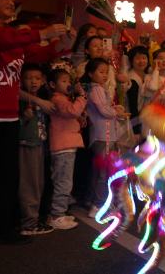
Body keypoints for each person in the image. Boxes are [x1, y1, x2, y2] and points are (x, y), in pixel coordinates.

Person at [0, 0, 70, 258]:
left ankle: (3, 229)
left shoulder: (12, 37)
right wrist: (43, 32)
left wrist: (61, 40)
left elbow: (38, 53)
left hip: (7, 119)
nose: (11, 1)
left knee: (5, 178)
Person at [83, 58, 126, 218]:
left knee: (99, 171)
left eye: (106, 72)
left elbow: (104, 108)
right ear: (90, 73)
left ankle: (92, 200)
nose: (105, 75)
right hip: (104, 136)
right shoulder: (96, 89)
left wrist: (114, 108)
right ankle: (98, 205)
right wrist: (116, 112)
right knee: (103, 172)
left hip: (104, 135)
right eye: (101, 72)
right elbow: (103, 110)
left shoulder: (96, 89)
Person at [47, 69, 87, 230]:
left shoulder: (63, 99)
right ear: (52, 84)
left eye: (68, 81)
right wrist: (81, 96)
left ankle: (60, 212)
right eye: (63, 81)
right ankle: (57, 215)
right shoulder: (57, 99)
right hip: (62, 147)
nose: (68, 84)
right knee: (63, 182)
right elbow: (73, 111)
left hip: (67, 146)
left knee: (64, 181)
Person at [17, 64, 54, 236]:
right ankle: (28, 223)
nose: (33, 81)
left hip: (39, 145)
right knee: (29, 184)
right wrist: (24, 118)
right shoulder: (21, 100)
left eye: (37, 78)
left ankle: (33, 219)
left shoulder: (42, 98)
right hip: (27, 145)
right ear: (21, 80)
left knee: (38, 183)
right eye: (29, 78)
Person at [126, 45, 149, 133]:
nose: (141, 61)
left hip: (145, 118)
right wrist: (136, 127)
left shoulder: (148, 76)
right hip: (133, 119)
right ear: (131, 61)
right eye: (138, 58)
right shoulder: (130, 78)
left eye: (144, 58)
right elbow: (132, 106)